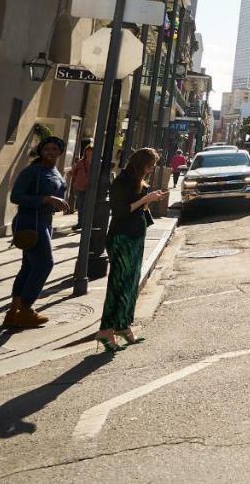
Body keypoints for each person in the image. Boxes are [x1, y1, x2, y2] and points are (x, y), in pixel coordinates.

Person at [95, 148, 166, 353]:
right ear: (141, 164)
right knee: (118, 283)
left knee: (130, 283)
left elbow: (137, 208)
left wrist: (149, 199)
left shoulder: (137, 182)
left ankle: (123, 325)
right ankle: (106, 329)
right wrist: (145, 199)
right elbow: (120, 211)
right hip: (122, 238)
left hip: (134, 237)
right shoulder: (121, 182)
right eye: (150, 165)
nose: (152, 169)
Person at [5, 137, 70, 328]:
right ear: (41, 151)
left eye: (54, 149)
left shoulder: (54, 170)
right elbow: (16, 196)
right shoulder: (31, 171)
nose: (50, 152)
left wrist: (56, 203)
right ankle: (26, 310)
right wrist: (46, 199)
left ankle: (13, 312)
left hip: (45, 221)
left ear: (60, 152)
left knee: (28, 266)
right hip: (30, 221)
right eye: (46, 149)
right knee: (45, 263)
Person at [67, 141, 94, 231]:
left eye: (91, 151)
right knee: (81, 206)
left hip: (91, 188)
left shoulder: (96, 163)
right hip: (80, 187)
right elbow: (71, 172)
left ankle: (86, 223)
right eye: (88, 151)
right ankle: (80, 223)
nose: (89, 153)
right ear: (85, 152)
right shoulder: (80, 162)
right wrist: (77, 178)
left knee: (88, 206)